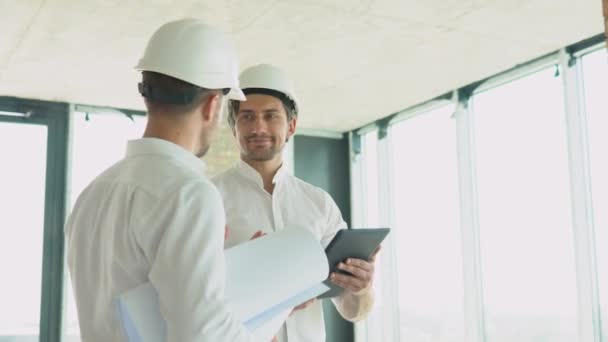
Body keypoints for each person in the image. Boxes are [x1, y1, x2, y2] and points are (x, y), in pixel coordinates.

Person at [65, 19, 259, 341]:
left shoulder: (92, 193)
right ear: (213, 105)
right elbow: (202, 333)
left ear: (148, 97)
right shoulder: (189, 193)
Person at [212, 64, 378, 342]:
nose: (259, 127)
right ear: (234, 127)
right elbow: (193, 301)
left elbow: (353, 311)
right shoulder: (208, 198)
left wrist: (361, 289)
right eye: (247, 116)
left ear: (291, 125)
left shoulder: (319, 204)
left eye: (270, 116)